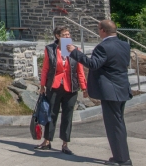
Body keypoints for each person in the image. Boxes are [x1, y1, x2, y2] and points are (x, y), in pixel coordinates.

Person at [67, 20, 132, 166]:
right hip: (122, 88)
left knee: (114, 126)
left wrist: (75, 52)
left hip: (110, 91)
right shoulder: (125, 45)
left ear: (103, 30)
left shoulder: (103, 47)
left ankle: (122, 159)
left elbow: (93, 64)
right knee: (118, 124)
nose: (98, 31)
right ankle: (121, 155)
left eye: (98, 29)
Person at [35, 26, 88, 155]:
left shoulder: (75, 50)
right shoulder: (50, 49)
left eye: (68, 34)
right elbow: (45, 69)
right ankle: (47, 140)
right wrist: (42, 86)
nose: (67, 37)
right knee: (51, 114)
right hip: (55, 86)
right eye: (64, 35)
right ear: (57, 36)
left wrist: (84, 87)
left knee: (67, 115)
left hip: (71, 87)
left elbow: (79, 70)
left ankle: (65, 143)